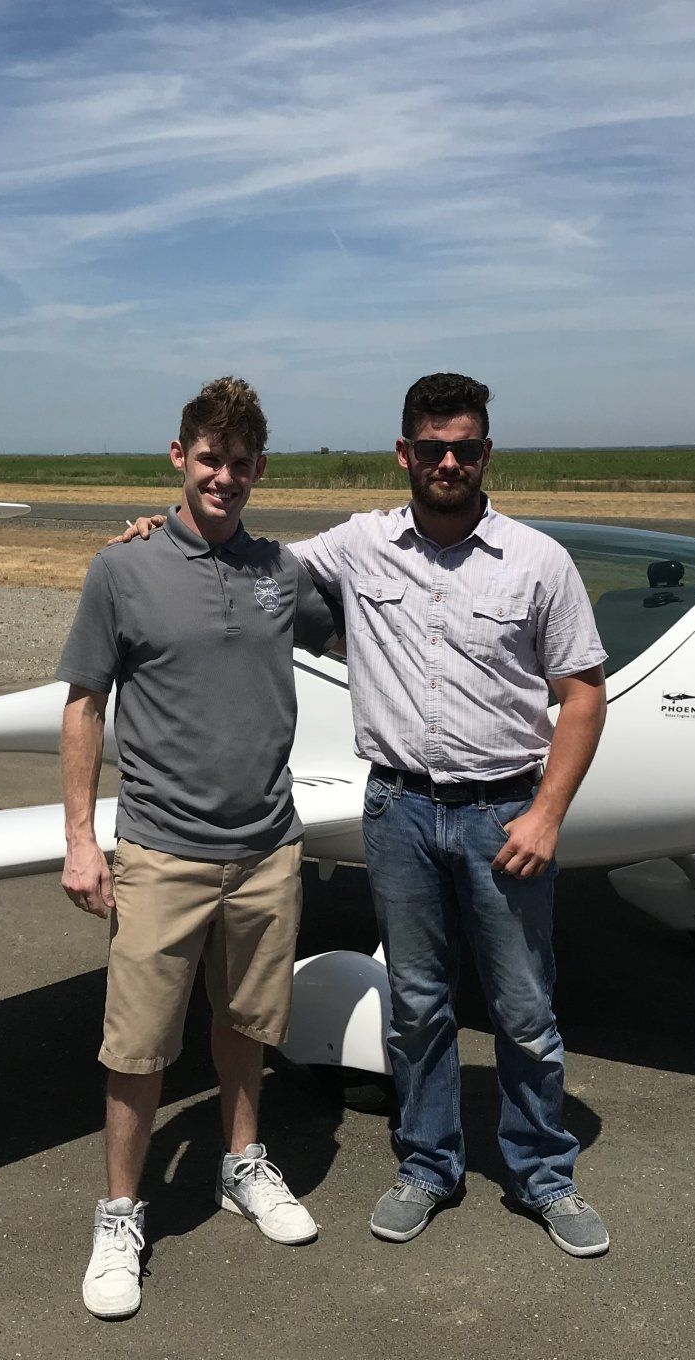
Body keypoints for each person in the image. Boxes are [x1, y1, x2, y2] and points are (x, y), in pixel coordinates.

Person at [116, 373, 610, 1256]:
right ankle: (427, 1165)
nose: (447, 461)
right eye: (431, 448)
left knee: (525, 1008)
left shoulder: (540, 562)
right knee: (417, 1006)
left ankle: (543, 1174)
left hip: (502, 811)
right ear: (405, 454)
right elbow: (237, 553)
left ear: (486, 454)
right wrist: (158, 535)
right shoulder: (358, 544)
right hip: (398, 809)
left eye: (463, 447)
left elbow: (581, 695)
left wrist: (544, 816)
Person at [56, 376, 341, 1320]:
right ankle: (120, 1215)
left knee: (248, 1023)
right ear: (179, 459)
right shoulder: (122, 569)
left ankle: (241, 1167)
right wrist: (80, 842)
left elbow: (362, 612)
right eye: (208, 458)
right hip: (161, 850)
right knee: (138, 1045)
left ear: (260, 469)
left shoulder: (280, 572)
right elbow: (85, 704)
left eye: (241, 462)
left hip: (266, 847)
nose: (225, 475)